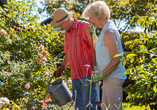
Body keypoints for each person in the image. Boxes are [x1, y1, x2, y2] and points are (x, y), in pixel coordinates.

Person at [82, 1, 127, 110]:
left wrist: (101, 75)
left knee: (114, 108)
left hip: (113, 77)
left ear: (98, 16)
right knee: (106, 108)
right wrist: (94, 36)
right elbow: (102, 48)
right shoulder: (105, 30)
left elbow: (116, 59)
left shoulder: (108, 32)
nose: (90, 21)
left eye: (91, 18)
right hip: (109, 77)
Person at [52, 8, 98, 110]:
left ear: (68, 19)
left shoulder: (85, 26)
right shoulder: (67, 33)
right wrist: (62, 67)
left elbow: (96, 46)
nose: (60, 27)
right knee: (79, 107)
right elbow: (68, 53)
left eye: (61, 23)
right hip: (75, 76)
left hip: (88, 75)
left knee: (89, 106)